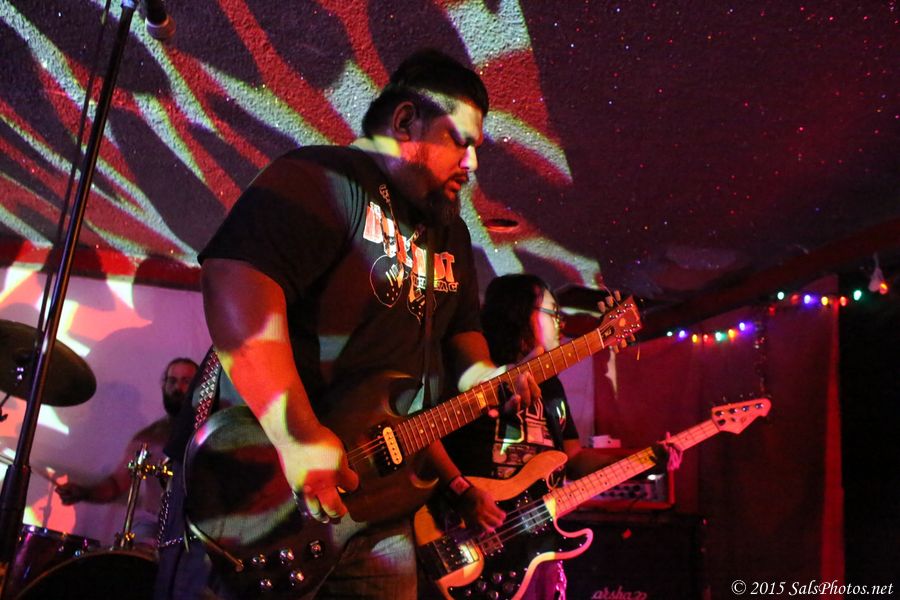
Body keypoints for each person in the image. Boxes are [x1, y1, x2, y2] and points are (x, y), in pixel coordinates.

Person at [161, 49, 537, 600]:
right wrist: (295, 433)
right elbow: (235, 277)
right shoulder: (325, 176)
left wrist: (486, 375)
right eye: (461, 141)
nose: (473, 163)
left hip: (382, 508)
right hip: (263, 494)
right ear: (406, 121)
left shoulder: (451, 234)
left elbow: (460, 334)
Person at [440, 274, 681, 599]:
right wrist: (461, 493)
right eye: (552, 312)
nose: (561, 322)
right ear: (518, 312)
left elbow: (574, 459)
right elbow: (430, 442)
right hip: (467, 535)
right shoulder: (475, 375)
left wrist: (645, 462)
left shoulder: (552, 387)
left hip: (536, 548)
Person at [56, 357, 199, 549]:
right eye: (172, 381)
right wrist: (84, 492)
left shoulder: (212, 431)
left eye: (186, 381)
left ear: (200, 387)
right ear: (163, 386)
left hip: (200, 529)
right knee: (135, 551)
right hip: (154, 526)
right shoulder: (148, 438)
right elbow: (117, 484)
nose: (177, 388)